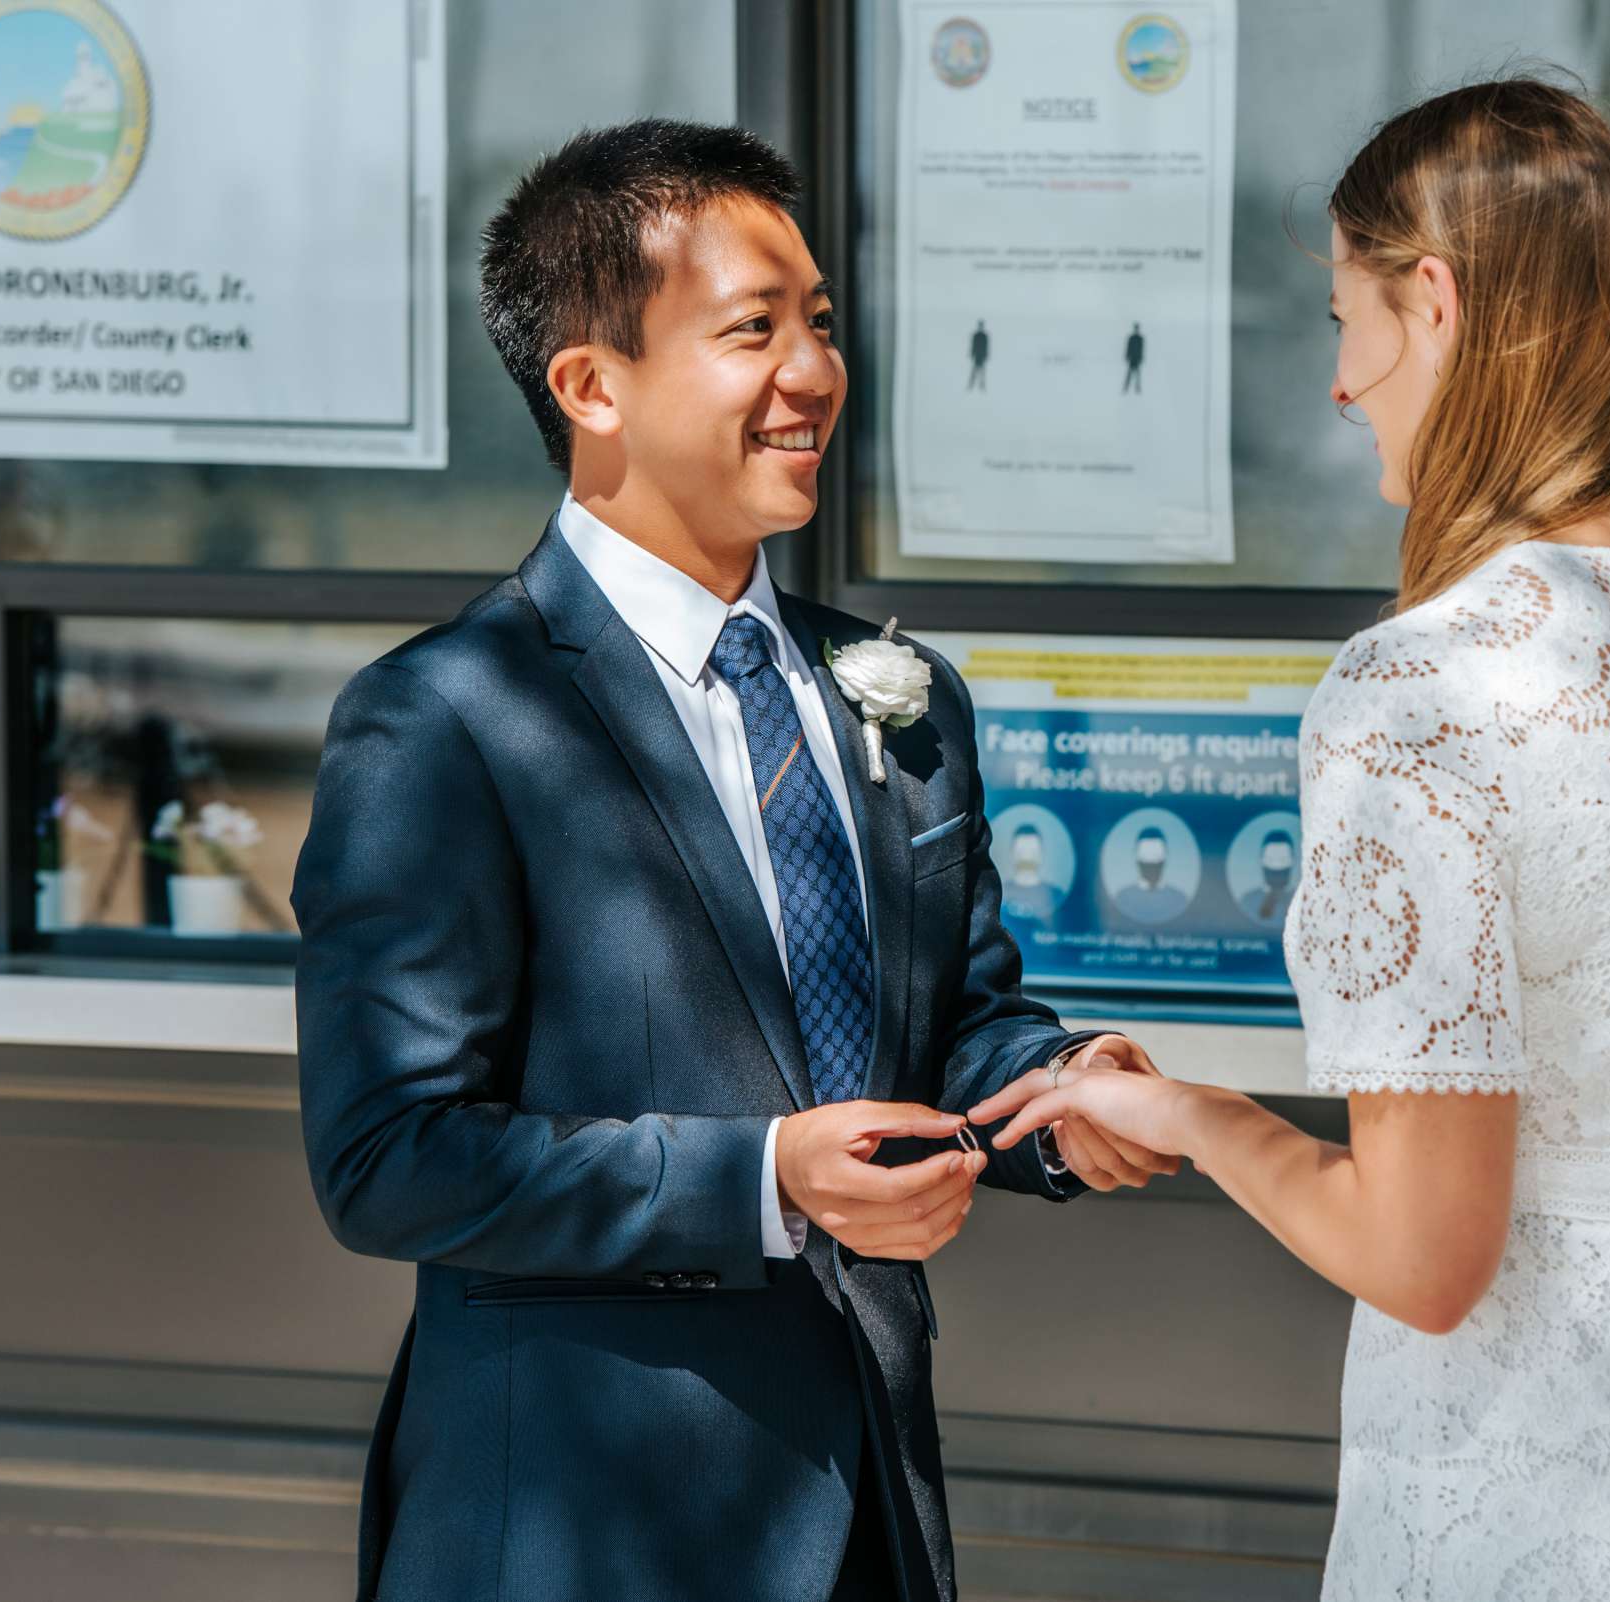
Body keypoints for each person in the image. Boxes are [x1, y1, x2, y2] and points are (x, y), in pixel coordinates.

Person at [975, 80, 1610, 1599]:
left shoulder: (1418, 688)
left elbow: (1423, 1258)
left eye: (1346, 317)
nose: (1338, 382)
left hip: (1524, 1506)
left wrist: (1192, 1118)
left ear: (1434, 304)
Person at [292, 120, 1171, 1602]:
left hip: (869, 1516)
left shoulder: (901, 695)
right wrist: (764, 1179)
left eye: (819, 323)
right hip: (577, 1531)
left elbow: (951, 1027)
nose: (814, 371)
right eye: (753, 330)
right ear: (592, 387)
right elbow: (390, 1159)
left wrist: (1069, 1088)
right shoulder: (445, 715)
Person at [1123, 320, 1145, 393]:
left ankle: (1137, 388)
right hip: (1132, 358)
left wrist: (1141, 357)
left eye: (1137, 328)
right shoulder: (1131, 338)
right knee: (1129, 374)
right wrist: (1127, 356)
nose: (1136, 330)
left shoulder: (1140, 339)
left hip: (1137, 358)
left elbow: (1141, 349)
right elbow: (1128, 347)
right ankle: (1126, 388)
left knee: (1137, 374)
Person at [966, 318, 988, 390]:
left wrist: (985, 354)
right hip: (977, 355)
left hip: (981, 355)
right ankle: (972, 385)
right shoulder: (977, 335)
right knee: (975, 370)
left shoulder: (983, 336)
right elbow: (973, 345)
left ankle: (981, 385)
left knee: (981, 371)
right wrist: (972, 353)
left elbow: (986, 346)